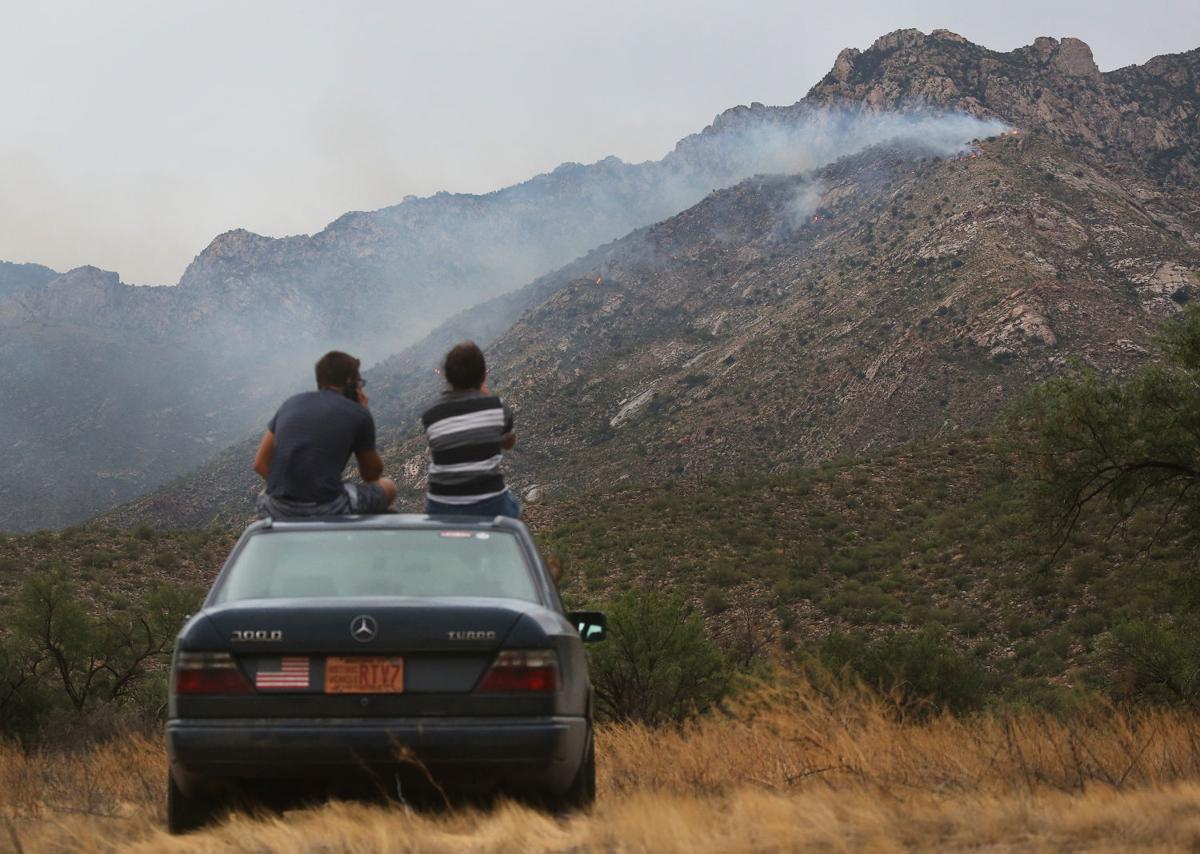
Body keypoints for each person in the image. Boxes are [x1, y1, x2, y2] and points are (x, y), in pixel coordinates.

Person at [252, 350, 397, 518]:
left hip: (274, 509)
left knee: (265, 494)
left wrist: (291, 493)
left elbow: (260, 463)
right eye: (359, 382)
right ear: (350, 381)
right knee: (388, 487)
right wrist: (364, 412)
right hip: (327, 507)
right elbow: (371, 474)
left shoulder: (290, 404)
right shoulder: (358, 413)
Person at [421, 342, 520, 518]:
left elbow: (437, 445)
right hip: (490, 501)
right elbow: (509, 443)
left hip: (442, 504)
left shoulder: (431, 415)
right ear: (484, 375)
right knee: (515, 511)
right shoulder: (497, 407)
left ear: (447, 378)